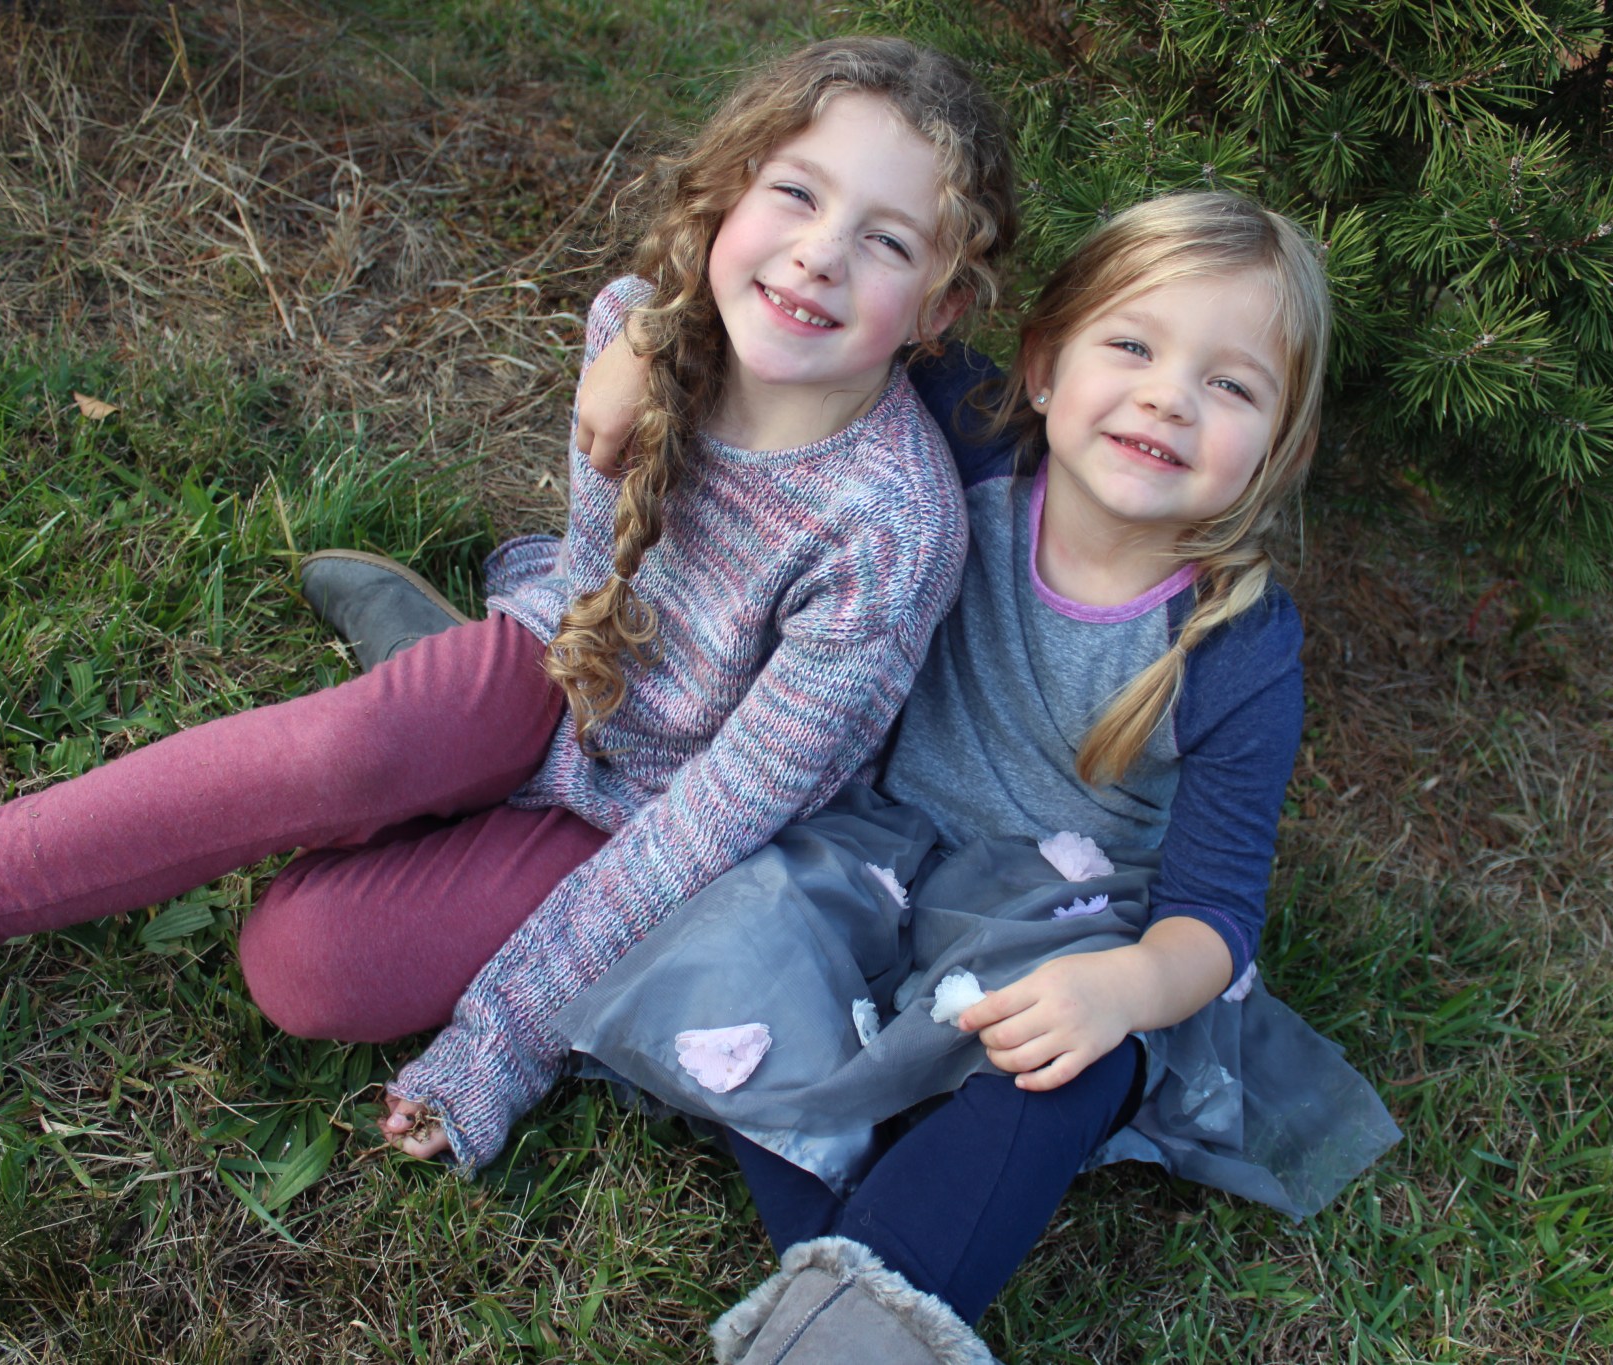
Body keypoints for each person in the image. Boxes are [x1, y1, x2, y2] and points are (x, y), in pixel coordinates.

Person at [0, 37, 1018, 1183]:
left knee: (305, 967)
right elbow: (594, 581)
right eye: (797, 196)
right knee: (342, 751)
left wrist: (502, 1039)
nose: (818, 256)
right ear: (729, 190)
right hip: (553, 661)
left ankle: (426, 702)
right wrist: (646, 342)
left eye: (887, 242)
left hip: (647, 807)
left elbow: (706, 827)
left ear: (940, 310)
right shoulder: (640, 333)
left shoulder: (888, 535)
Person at [548, 192, 1401, 1363]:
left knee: (1065, 1066)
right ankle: (851, 1277)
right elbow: (799, 312)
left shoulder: (1233, 645)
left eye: (1231, 385)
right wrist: (642, 345)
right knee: (737, 935)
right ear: (1042, 367)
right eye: (1133, 346)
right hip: (869, 840)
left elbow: (1214, 919)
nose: (1167, 397)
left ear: (1280, 452)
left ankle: (857, 1312)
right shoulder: (976, 437)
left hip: (1067, 918)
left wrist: (1125, 990)